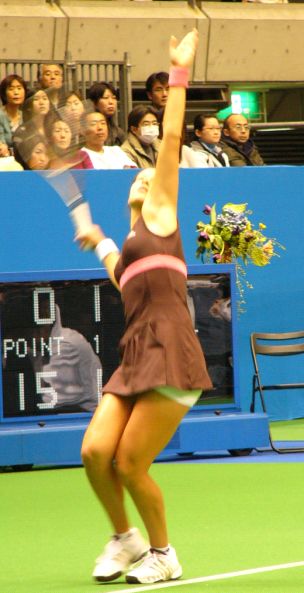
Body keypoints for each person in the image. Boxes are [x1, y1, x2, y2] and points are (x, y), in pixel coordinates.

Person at [76, 29, 211, 585]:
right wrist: (97, 239)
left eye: (151, 176)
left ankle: (163, 553)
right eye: (139, 175)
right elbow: (118, 271)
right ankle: (124, 538)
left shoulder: (161, 216)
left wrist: (178, 72)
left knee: (131, 463)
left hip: (172, 352)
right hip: (135, 356)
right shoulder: (134, 244)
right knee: (94, 452)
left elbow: (171, 136)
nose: (145, 178)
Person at [88, 82, 126, 146]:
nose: (111, 102)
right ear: (94, 103)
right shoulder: (87, 130)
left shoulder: (119, 133)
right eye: (106, 98)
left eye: (114, 98)